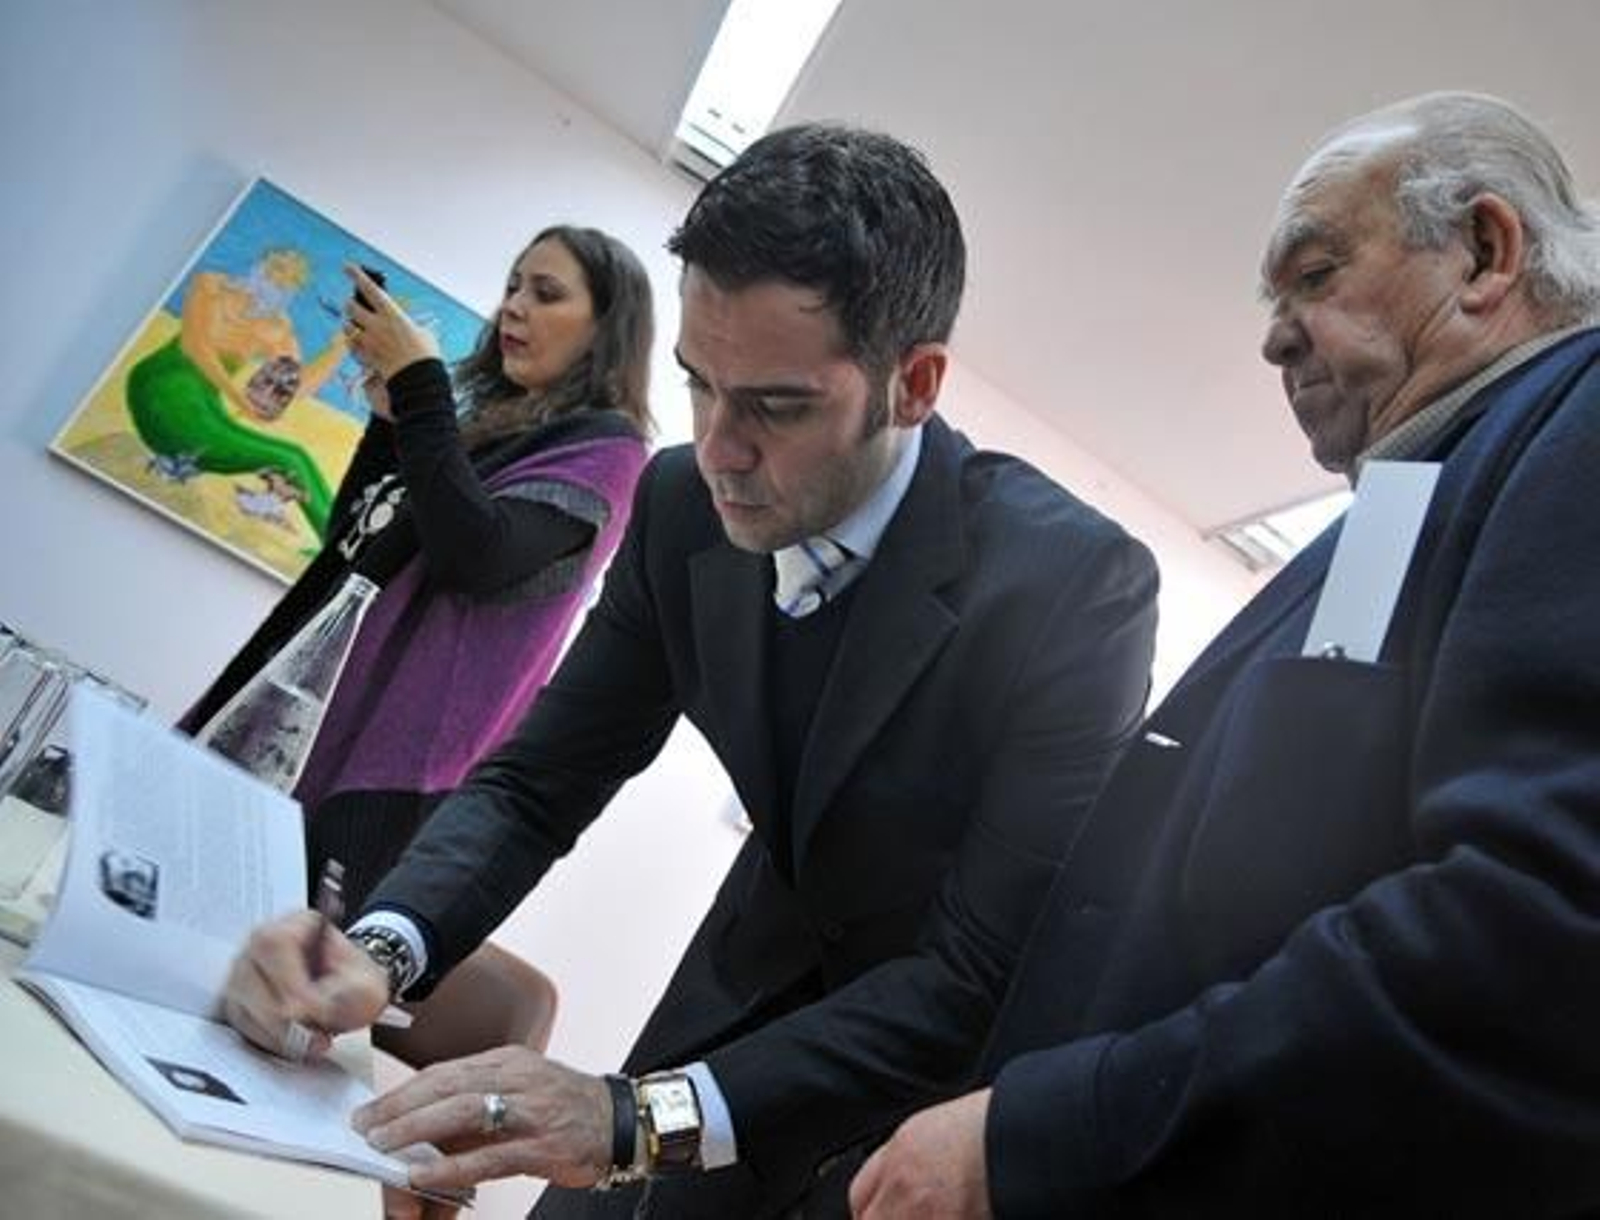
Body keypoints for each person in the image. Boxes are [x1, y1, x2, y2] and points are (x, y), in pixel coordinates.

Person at [219, 124, 1160, 1216]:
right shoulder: (675, 505)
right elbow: (539, 780)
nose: (718, 446)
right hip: (721, 1004)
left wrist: (631, 1116)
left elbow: (970, 969)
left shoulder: (1074, 586)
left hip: (908, 1110)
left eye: (776, 404)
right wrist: (379, 947)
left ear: (914, 383)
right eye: (699, 386)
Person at [849, 91, 1600, 1218]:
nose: (1270, 333)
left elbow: (1533, 935)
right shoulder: (1402, 501)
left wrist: (1055, 1126)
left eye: (1313, 272)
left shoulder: (1575, 421)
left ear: (1485, 252)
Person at [182, 226, 654, 908]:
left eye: (546, 293)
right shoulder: (495, 430)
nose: (515, 306)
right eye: (513, 286)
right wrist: (388, 417)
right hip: (301, 699)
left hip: (382, 758)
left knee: (256, 944)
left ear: (608, 329)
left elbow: (480, 557)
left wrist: (421, 386)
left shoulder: (607, 452)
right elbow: (361, 539)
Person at [126, 248, 349, 539]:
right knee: (289, 459)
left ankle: (337, 541)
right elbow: (195, 346)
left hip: (204, 410)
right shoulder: (210, 285)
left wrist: (338, 349)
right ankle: (335, 548)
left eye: (291, 280)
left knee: (294, 457)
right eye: (276, 267)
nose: (278, 280)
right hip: (160, 388)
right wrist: (239, 398)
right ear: (259, 264)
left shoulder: (277, 328)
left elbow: (295, 387)